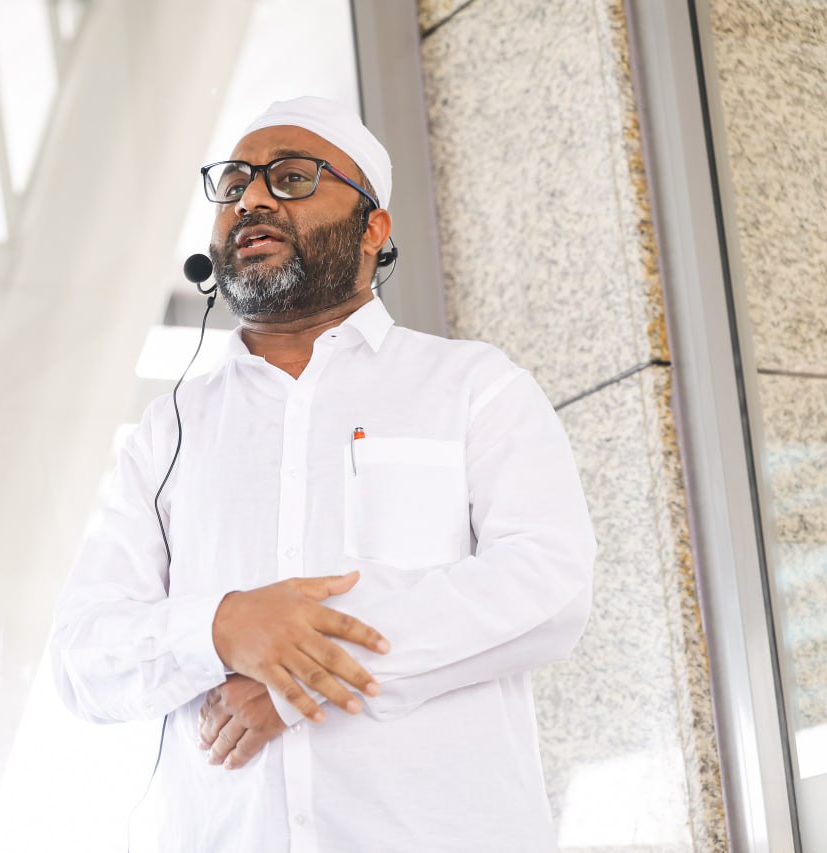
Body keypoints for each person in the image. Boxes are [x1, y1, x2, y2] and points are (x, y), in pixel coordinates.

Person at [49, 96, 596, 852]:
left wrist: (296, 674)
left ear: (373, 228)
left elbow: (548, 587)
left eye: (292, 177)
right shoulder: (168, 431)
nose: (252, 197)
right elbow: (82, 658)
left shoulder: (473, 386)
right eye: (234, 183)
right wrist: (220, 628)